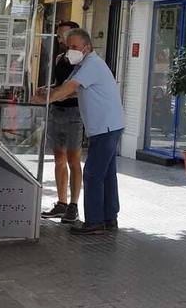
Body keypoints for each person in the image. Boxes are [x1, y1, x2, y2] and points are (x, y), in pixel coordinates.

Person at [36, 29, 123, 235]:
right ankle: (109, 219)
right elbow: (70, 88)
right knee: (107, 175)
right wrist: (49, 90)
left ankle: (94, 222)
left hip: (105, 127)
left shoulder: (91, 64)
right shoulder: (85, 64)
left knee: (93, 174)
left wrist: (44, 99)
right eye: (67, 47)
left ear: (87, 47)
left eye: (74, 47)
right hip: (107, 126)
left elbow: (69, 88)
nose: (69, 52)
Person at [39, 21, 85, 224]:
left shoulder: (84, 61)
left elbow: (80, 89)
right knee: (59, 159)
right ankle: (61, 202)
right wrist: (47, 89)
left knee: (73, 160)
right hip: (56, 112)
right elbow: (59, 85)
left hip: (74, 113)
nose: (62, 40)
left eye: (65, 36)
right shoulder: (59, 58)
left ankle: (74, 206)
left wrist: (57, 95)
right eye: (59, 37)